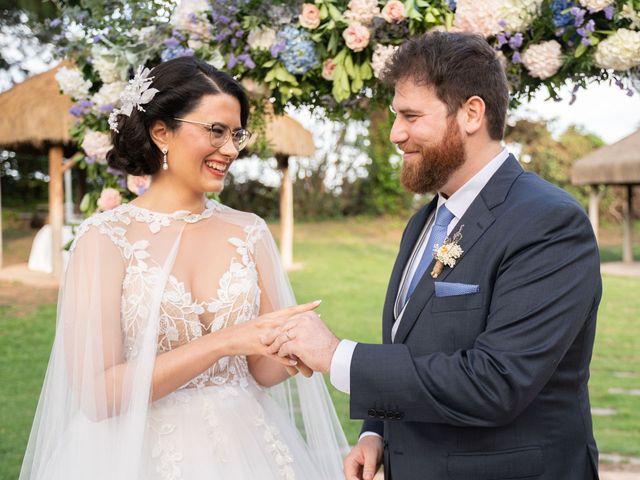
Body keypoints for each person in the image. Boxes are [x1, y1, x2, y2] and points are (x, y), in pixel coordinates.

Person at [265, 32, 601, 480]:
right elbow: (414, 346)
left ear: (472, 113)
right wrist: (377, 431)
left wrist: (335, 355)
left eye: (411, 116)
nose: (396, 133)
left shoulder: (549, 222)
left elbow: (495, 382)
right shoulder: (426, 220)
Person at [19, 56, 348, 480]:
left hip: (248, 447)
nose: (230, 149)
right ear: (161, 132)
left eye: (236, 134)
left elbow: (261, 372)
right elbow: (98, 396)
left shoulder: (249, 231)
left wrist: (292, 346)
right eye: (215, 131)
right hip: (132, 456)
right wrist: (224, 342)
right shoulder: (104, 238)